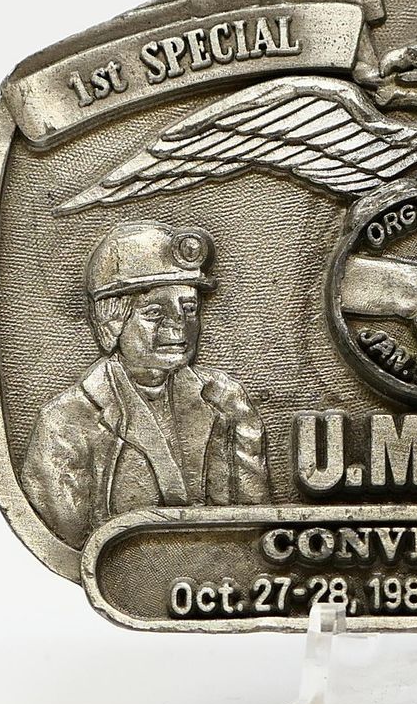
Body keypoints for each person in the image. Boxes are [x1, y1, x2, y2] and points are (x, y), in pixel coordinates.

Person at [21, 221, 268, 548]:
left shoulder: (225, 400)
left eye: (189, 309)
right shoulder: (65, 422)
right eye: (154, 312)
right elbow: (70, 546)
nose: (178, 326)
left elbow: (258, 528)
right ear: (112, 321)